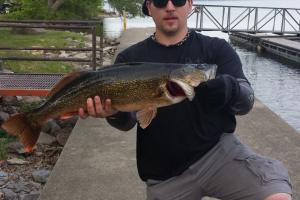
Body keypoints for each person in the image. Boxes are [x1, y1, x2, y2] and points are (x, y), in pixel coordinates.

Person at [78, 0, 293, 199]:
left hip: (218, 154)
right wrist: (113, 113)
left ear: (190, 5)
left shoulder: (217, 50)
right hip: (163, 171)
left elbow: (247, 101)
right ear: (149, 7)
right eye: (161, 1)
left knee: (277, 194)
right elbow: (128, 122)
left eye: (179, 0)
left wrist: (231, 89)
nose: (170, 7)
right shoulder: (129, 59)